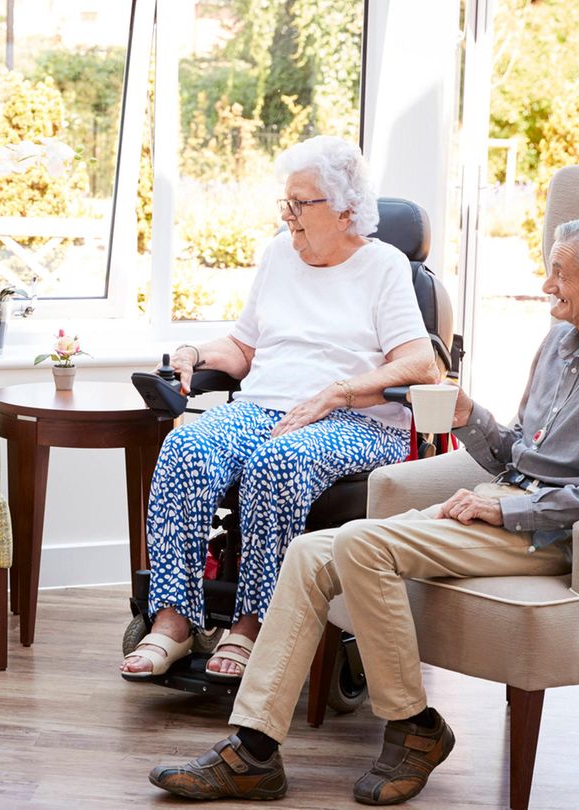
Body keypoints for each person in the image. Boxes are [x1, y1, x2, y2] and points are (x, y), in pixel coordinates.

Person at [148, 212, 579, 805]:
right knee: (307, 553)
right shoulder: (561, 342)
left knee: (358, 542)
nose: (546, 285)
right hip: (504, 502)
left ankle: (415, 728)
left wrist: (508, 513)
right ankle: (253, 751)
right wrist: (470, 416)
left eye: (559, 272)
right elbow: (521, 452)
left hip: (548, 533)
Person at [120, 136, 440, 684]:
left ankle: (253, 626)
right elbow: (244, 349)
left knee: (279, 461)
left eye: (302, 203)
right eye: (285, 202)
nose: (288, 215)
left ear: (344, 210)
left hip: (358, 422)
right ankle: (174, 622)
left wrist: (339, 391)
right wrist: (195, 354)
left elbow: (421, 365)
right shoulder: (278, 254)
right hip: (267, 408)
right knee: (186, 447)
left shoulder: (386, 267)